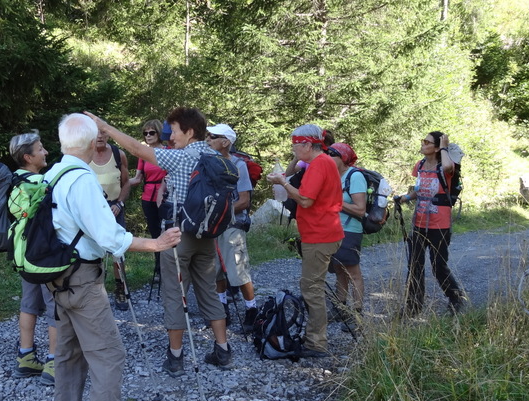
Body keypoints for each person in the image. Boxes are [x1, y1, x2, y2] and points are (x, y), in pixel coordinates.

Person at [44, 113, 181, 401]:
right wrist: (155, 244)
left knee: (69, 351)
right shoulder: (82, 179)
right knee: (109, 357)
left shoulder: (51, 174)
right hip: (82, 280)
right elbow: (109, 236)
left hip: (56, 278)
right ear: (93, 143)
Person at [85, 107, 234, 375]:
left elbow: (137, 149)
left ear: (189, 132)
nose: (170, 136)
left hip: (178, 236)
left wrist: (105, 127)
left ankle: (175, 357)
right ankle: (223, 350)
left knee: (174, 293)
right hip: (207, 235)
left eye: (174, 131)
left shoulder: (179, 157)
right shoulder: (216, 156)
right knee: (209, 290)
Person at [267, 124, 343, 358]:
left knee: (311, 289)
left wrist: (283, 183)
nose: (293, 150)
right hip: (320, 233)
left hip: (320, 235)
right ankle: (315, 337)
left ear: (308, 145)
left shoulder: (320, 164)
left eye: (295, 145)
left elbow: (306, 200)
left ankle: (316, 343)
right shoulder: (322, 162)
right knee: (312, 286)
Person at [7, 130, 59, 385]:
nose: (45, 152)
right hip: (44, 254)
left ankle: (25, 356)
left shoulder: (14, 180)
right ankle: (54, 362)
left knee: (29, 303)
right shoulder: (41, 183)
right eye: (40, 149)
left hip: (23, 253)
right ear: (28, 157)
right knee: (54, 305)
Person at [396, 132, 467, 316]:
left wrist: (444, 146)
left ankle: (456, 298)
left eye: (427, 142)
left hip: (440, 225)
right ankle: (413, 306)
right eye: (423, 141)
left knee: (438, 266)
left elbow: (448, 167)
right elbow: (420, 189)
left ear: (436, 147)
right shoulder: (419, 165)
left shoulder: (446, 166)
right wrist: (406, 198)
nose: (423, 144)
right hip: (419, 222)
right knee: (414, 265)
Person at [205, 123, 259, 332]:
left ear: (225, 142)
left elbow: (244, 200)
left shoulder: (238, 165)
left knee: (238, 270)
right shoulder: (207, 162)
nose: (208, 139)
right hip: (211, 225)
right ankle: (222, 309)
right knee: (215, 270)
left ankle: (251, 309)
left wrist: (221, 213)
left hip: (232, 224)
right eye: (208, 135)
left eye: (212, 136)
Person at [326, 143, 366, 332]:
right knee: (338, 269)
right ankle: (340, 308)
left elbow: (360, 209)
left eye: (331, 155)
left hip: (350, 230)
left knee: (353, 273)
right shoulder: (333, 175)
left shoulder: (355, 176)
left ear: (343, 158)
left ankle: (357, 314)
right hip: (332, 229)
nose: (328, 157)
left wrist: (335, 202)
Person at [90, 129, 131, 311]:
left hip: (115, 208)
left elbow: (126, 182)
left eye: (103, 133)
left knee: (118, 250)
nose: (100, 136)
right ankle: (94, 289)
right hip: (92, 210)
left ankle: (120, 288)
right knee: (92, 250)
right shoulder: (84, 155)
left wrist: (120, 204)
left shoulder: (118, 154)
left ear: (108, 135)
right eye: (96, 133)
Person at [129, 119, 168, 281]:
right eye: (145, 133)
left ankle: (170, 267)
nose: (148, 135)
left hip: (165, 196)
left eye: (152, 132)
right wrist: (119, 184)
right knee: (155, 233)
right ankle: (159, 268)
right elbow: (137, 178)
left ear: (159, 133)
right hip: (148, 197)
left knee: (167, 230)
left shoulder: (168, 151)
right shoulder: (143, 154)